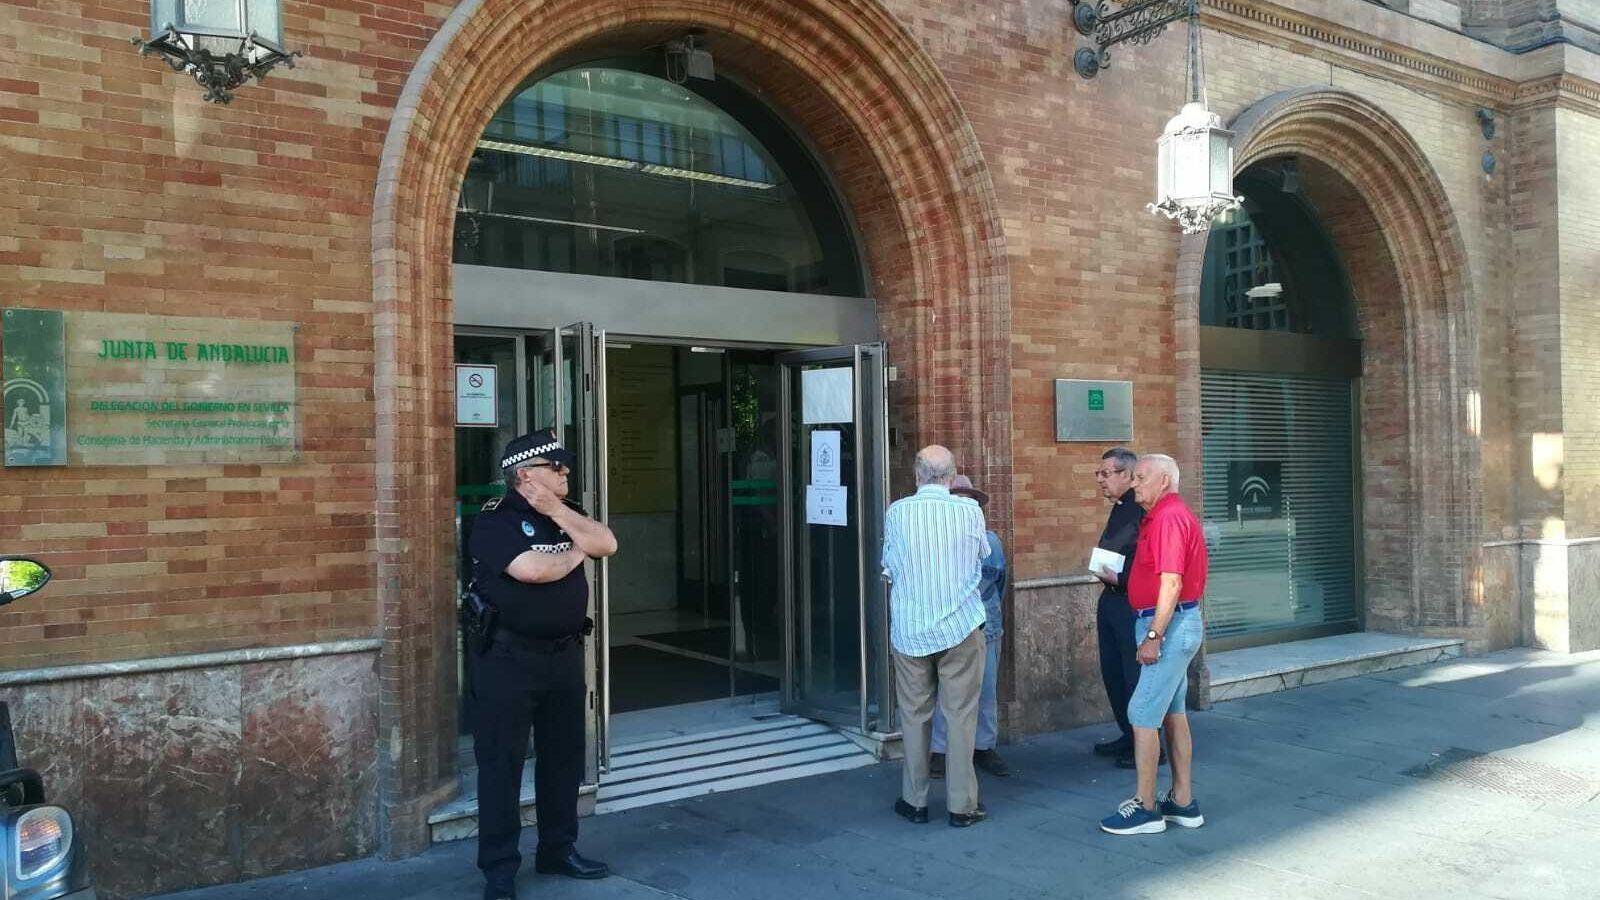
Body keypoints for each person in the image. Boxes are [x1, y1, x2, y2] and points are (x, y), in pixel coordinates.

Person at [468, 429, 619, 899]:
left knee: (563, 759)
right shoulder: (494, 521)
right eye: (556, 467)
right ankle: (499, 869)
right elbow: (532, 570)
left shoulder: (562, 515)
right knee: (501, 764)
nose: (566, 471)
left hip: (563, 657)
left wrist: (560, 516)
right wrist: (579, 551)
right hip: (507, 661)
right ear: (525, 475)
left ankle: (558, 849)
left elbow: (608, 543)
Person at [881, 445, 990, 828]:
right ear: (951, 477)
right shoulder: (969, 511)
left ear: (917, 475)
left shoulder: (896, 512)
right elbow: (981, 557)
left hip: (910, 630)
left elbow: (889, 567)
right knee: (961, 718)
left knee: (914, 716)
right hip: (960, 627)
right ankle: (962, 807)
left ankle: (915, 801)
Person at [1099, 453, 1208, 836]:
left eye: (1141, 478)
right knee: (1172, 712)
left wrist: (1153, 636)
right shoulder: (1160, 516)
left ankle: (1145, 809)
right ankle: (1182, 802)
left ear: (1164, 481)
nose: (1135, 484)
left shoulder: (1168, 518)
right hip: (1171, 622)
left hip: (1169, 624)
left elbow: (1172, 583)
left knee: (1142, 712)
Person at [930, 474, 1009, 779]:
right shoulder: (936, 541)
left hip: (984, 626)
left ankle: (983, 746)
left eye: (971, 501)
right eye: (958, 500)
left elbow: (998, 583)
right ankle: (940, 750)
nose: (966, 506)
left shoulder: (990, 541)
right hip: (947, 625)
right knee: (943, 690)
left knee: (986, 689)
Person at [1089, 447, 1160, 769]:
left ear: (1127, 475)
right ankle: (1128, 734)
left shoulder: (1143, 511)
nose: (1100, 480)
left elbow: (1152, 565)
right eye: (1099, 474)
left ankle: (1147, 746)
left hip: (1131, 602)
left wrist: (1122, 577)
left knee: (1134, 676)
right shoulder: (1120, 507)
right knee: (1113, 673)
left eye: (1106, 474)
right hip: (1111, 598)